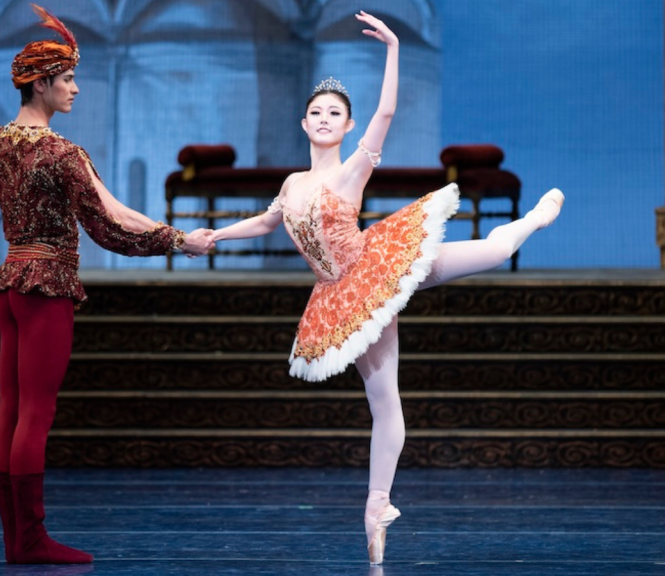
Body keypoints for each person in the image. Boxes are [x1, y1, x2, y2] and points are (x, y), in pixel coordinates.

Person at [204, 11, 564, 566]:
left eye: (335, 114)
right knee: (385, 403)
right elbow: (266, 222)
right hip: (341, 296)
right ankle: (377, 507)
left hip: (379, 265)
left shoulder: (351, 170)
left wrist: (395, 47)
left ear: (347, 128)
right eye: (316, 112)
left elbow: (389, 109)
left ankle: (534, 220)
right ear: (304, 124)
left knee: (494, 252)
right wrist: (217, 235)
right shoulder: (292, 183)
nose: (325, 119)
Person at [0, 4, 212, 565]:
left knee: (11, 409)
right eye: (68, 78)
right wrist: (181, 240)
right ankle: (29, 539)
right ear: (42, 82)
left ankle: (17, 539)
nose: (75, 88)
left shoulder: (0, 143)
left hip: (9, 286)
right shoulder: (63, 154)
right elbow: (116, 216)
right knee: (35, 413)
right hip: (47, 285)